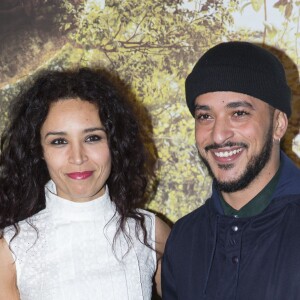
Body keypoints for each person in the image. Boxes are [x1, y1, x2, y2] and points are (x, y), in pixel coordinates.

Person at [0, 68, 170, 300]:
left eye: (92, 138)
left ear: (113, 143)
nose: (78, 157)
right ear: (39, 150)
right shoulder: (11, 251)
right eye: (59, 141)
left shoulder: (149, 231)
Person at [162, 41, 300, 300]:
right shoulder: (184, 239)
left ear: (279, 124)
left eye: (238, 113)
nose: (219, 134)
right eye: (205, 116)